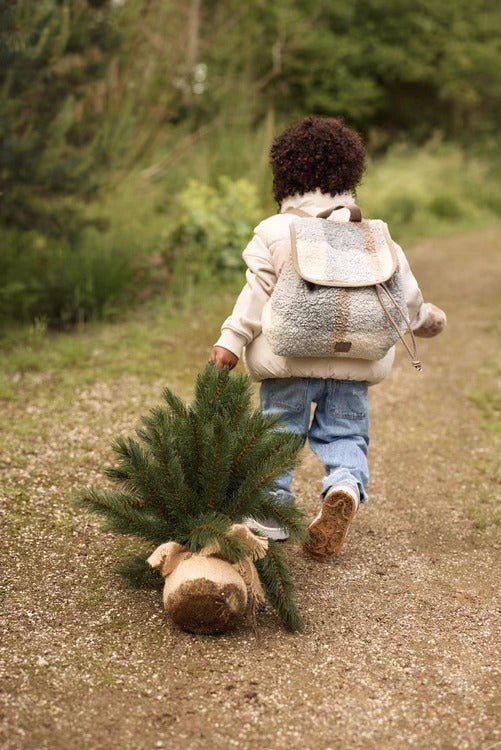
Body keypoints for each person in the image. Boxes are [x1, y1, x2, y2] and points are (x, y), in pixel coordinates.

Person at [209, 116, 446, 560]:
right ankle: (344, 487)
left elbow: (255, 295)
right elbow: (405, 298)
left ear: (284, 176)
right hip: (355, 365)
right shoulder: (374, 236)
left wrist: (230, 341)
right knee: (346, 436)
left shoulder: (275, 231)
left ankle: (273, 513)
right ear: (351, 176)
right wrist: (426, 319)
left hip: (289, 361)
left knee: (278, 434)